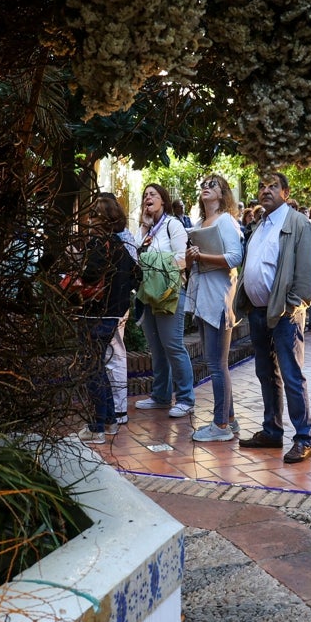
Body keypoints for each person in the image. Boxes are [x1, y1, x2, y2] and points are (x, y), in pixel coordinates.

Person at [235, 172, 311, 464]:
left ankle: (304, 438)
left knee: (292, 375)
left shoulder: (298, 224)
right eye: (261, 186)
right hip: (259, 313)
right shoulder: (259, 224)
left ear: (286, 192)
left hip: (284, 315)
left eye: (273, 186)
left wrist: (292, 305)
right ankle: (272, 430)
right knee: (265, 374)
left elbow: (309, 278)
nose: (265, 190)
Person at [182, 174, 245, 443]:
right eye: (204, 185)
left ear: (223, 194)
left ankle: (220, 426)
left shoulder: (226, 221)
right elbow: (192, 263)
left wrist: (202, 256)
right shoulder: (198, 224)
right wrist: (189, 258)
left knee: (217, 365)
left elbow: (235, 257)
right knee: (214, 362)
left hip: (218, 298)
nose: (206, 188)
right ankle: (229, 419)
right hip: (203, 297)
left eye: (213, 185)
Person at [73, 196, 139, 444]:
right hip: (113, 314)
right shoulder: (120, 245)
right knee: (98, 365)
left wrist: (78, 276)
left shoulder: (99, 245)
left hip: (95, 314)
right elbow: (137, 276)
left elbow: (90, 276)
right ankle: (110, 421)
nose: (87, 221)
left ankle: (97, 427)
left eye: (92, 216)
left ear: (99, 219)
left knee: (92, 368)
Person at [133, 183, 195, 418]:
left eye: (153, 194)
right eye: (145, 195)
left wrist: (152, 262)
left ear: (163, 200)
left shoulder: (173, 225)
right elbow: (136, 256)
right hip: (148, 293)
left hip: (169, 294)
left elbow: (181, 259)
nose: (148, 198)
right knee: (156, 347)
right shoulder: (146, 229)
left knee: (173, 345)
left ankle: (186, 398)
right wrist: (144, 228)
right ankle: (160, 396)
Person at [98, 191, 137, 425]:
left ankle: (119, 409)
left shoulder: (120, 239)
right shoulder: (121, 237)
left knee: (115, 354)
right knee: (112, 354)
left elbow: (133, 273)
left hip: (115, 305)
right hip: (115, 304)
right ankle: (114, 408)